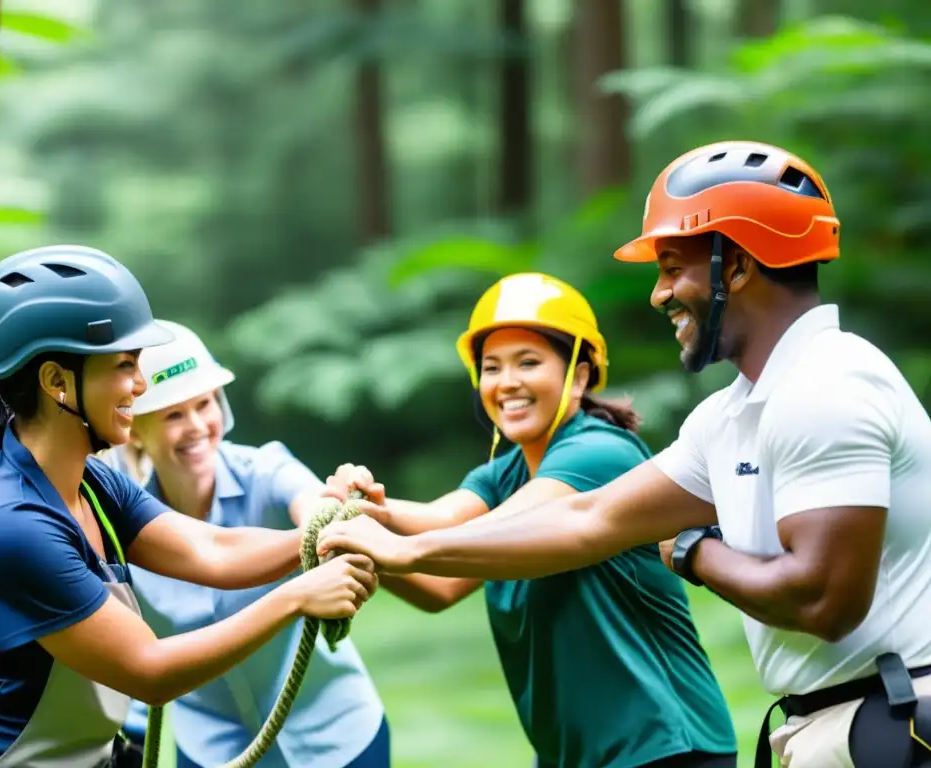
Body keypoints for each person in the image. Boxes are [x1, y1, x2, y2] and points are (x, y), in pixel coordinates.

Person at [317, 141, 931, 768]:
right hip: (837, 723)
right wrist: (388, 531)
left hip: (890, 721)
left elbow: (821, 601)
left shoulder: (825, 386)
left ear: (738, 266)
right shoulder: (728, 417)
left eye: (672, 267)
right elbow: (591, 521)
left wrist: (694, 552)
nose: (658, 294)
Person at [0, 245, 376, 768]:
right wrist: (297, 597)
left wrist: (320, 534)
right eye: (125, 365)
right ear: (56, 382)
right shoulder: (9, 525)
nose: (142, 384)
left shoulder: (90, 481)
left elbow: (210, 550)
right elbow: (148, 670)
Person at [323, 272, 738, 768]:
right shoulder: (502, 474)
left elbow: (483, 532)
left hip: (665, 746)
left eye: (528, 362)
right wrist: (355, 516)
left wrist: (377, 528)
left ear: (579, 376)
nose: (507, 382)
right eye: (492, 367)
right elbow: (441, 569)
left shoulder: (599, 454)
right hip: (578, 756)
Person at [99, 319, 389, 768]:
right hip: (213, 750)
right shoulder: (117, 524)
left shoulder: (266, 469)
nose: (197, 426)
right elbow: (127, 639)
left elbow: (311, 507)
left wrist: (334, 509)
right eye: (174, 413)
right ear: (135, 430)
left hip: (336, 736)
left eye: (205, 403)